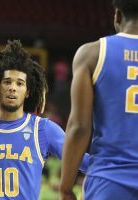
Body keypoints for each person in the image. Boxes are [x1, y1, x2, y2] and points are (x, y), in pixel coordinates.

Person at [0, 40, 89, 200]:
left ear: (27, 92)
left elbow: (82, 161)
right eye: (7, 82)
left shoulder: (43, 129)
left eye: (20, 83)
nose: (12, 87)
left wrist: (115, 166)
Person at [59, 0, 138, 199]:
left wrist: (66, 188)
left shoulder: (91, 54)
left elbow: (79, 127)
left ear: (117, 16)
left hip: (109, 181)